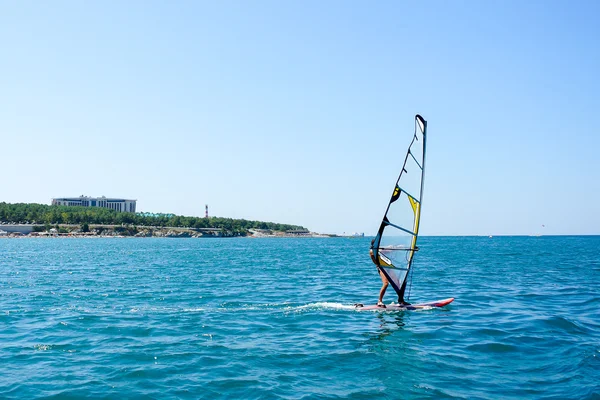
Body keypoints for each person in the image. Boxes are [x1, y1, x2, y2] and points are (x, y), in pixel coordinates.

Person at [370, 240, 388, 308]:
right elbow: (375, 260)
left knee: (399, 282)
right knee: (386, 283)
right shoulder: (372, 251)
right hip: (381, 268)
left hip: (388, 268)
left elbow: (389, 249)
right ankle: (379, 301)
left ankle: (401, 300)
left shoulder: (380, 249)